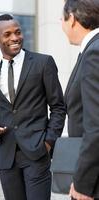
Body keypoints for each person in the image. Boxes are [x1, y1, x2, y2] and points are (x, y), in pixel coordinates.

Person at [0, 14, 65, 200]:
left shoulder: (43, 63)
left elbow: (58, 106)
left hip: (37, 153)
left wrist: (48, 142)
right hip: (7, 158)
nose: (14, 38)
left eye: (17, 32)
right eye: (7, 34)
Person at [61, 0, 99, 200]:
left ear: (73, 19)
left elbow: (96, 126)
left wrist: (83, 184)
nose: (61, 24)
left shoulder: (94, 52)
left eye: (62, 18)